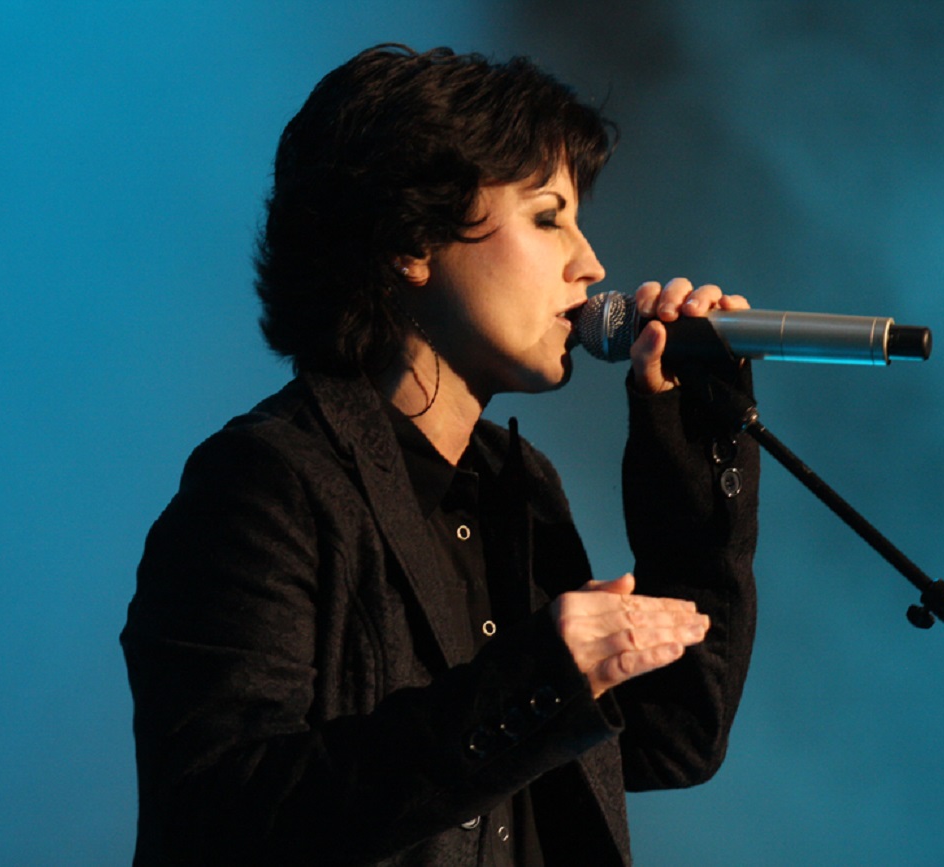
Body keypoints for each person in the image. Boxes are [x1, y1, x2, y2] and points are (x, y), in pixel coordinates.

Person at [121, 44, 759, 866]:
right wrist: (538, 677)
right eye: (546, 216)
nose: (590, 263)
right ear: (412, 241)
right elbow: (224, 814)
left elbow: (676, 730)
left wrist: (691, 434)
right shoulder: (265, 484)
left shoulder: (520, 491)